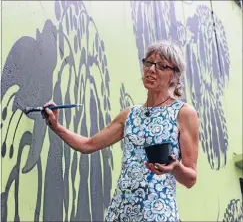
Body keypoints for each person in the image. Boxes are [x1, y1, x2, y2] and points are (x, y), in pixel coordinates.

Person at [43, 40, 199, 222]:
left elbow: (191, 178)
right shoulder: (129, 114)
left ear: (174, 76)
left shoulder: (184, 113)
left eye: (162, 66)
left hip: (158, 213)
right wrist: (56, 127)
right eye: (148, 63)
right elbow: (87, 145)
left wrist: (175, 168)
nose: (151, 70)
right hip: (120, 212)